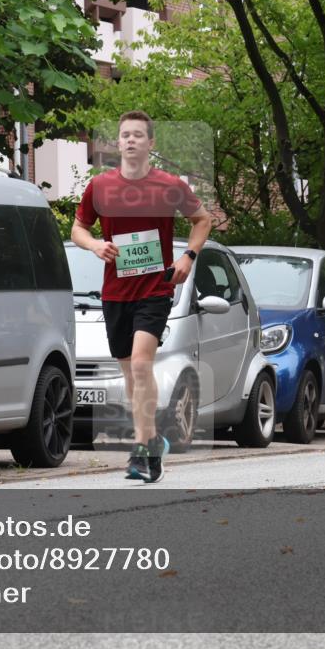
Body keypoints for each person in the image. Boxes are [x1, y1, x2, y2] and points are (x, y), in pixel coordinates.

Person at [71, 111, 212, 482]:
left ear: (151, 143)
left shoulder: (168, 186)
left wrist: (188, 256)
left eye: (138, 135)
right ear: (117, 143)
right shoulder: (100, 187)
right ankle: (152, 440)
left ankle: (141, 450)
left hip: (155, 289)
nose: (131, 140)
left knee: (139, 364)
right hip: (116, 292)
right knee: (131, 375)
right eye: (125, 135)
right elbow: (78, 229)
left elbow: (203, 220)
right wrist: (95, 245)